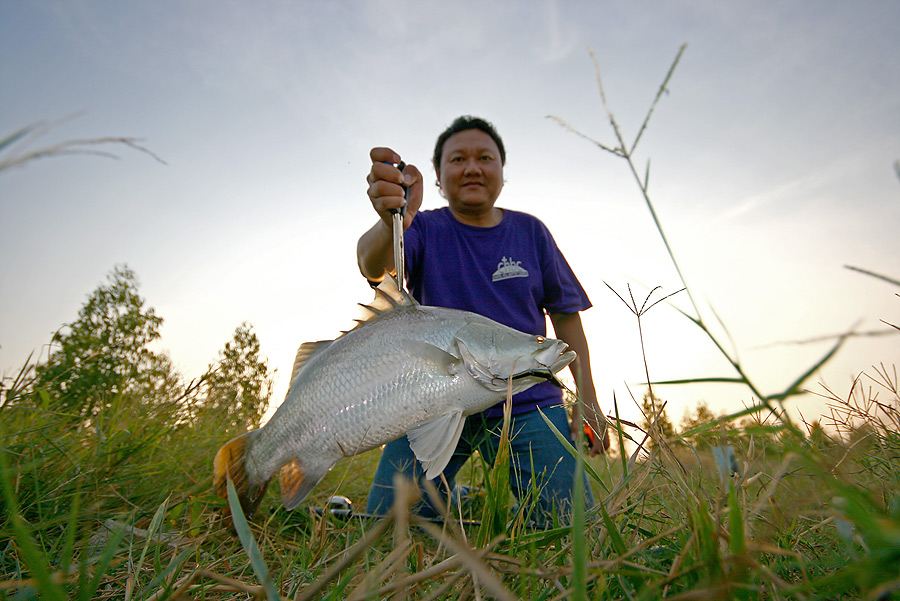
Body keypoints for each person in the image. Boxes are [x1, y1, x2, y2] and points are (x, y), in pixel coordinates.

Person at [357, 115, 609, 525]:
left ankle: (474, 501)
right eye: (457, 159)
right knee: (388, 531)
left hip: (529, 404)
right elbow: (373, 264)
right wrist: (392, 221)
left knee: (573, 528)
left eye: (485, 158)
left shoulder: (531, 232)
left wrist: (588, 399)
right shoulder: (419, 228)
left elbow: (566, 318)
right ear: (437, 177)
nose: (472, 167)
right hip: (432, 402)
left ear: (502, 172)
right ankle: (459, 500)